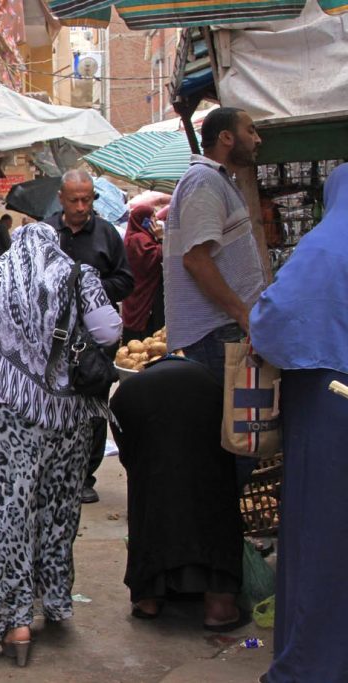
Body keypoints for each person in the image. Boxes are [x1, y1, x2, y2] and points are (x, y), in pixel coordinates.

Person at [0, 223, 121, 667]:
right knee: (55, 510)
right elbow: (107, 332)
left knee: (5, 515)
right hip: (65, 415)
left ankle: (14, 623)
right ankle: (54, 600)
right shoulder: (79, 276)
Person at [251, 163, 348, 683]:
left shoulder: (327, 247)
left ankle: (311, 665)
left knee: (324, 542)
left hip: (332, 408)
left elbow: (274, 318)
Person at [163, 107, 265, 488]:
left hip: (222, 335)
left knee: (239, 447)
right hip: (216, 337)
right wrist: (242, 315)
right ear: (226, 137)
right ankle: (217, 535)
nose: (257, 139)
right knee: (231, 451)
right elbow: (196, 259)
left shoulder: (219, 182)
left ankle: (219, 533)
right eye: (250, 131)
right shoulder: (204, 181)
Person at [111, 358, 246, 630]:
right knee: (213, 492)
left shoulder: (137, 382)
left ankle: (148, 598)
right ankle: (219, 605)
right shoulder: (208, 378)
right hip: (202, 402)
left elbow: (129, 456)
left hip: (132, 400)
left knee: (148, 493)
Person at [46, 169, 133, 505]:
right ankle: (56, 471)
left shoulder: (107, 234)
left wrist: (90, 288)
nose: (82, 206)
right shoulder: (47, 232)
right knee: (55, 401)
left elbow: (126, 281)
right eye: (75, 200)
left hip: (95, 339)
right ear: (61, 198)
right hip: (53, 335)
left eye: (87, 199)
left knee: (94, 404)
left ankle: (85, 474)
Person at [122, 205, 166, 343]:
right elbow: (156, 256)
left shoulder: (138, 237)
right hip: (145, 297)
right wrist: (161, 238)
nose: (156, 220)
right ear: (143, 220)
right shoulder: (140, 239)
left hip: (139, 294)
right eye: (152, 217)